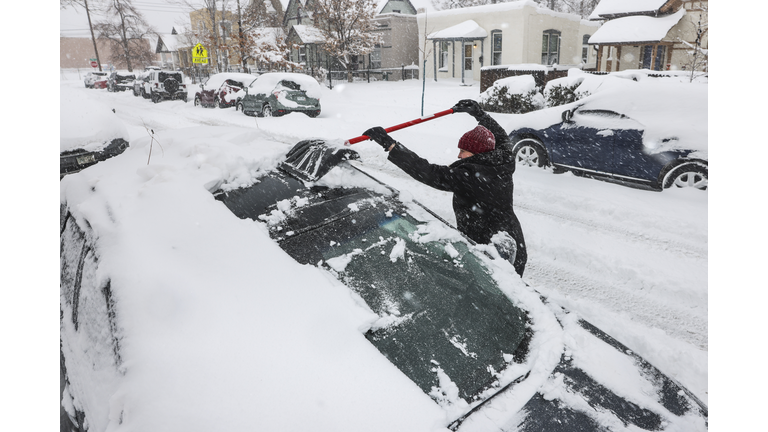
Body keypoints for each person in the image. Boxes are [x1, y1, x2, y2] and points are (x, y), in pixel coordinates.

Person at [362, 99, 527, 277]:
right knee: (514, 290)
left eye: (464, 151)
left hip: (491, 251)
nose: (459, 154)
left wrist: (390, 145)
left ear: (478, 153)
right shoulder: (503, 160)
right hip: (513, 242)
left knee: (496, 296)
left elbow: (427, 171)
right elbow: (501, 136)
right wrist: (479, 114)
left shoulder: (469, 176)